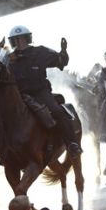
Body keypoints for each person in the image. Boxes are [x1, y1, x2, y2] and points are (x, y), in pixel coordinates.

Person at [7, 25, 83, 157]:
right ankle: (6, 150)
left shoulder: (40, 52)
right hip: (19, 95)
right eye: (16, 39)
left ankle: (72, 144)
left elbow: (61, 61)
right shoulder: (9, 58)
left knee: (57, 111)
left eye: (22, 38)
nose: (19, 42)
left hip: (40, 92)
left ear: (27, 39)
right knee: (5, 115)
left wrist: (63, 52)